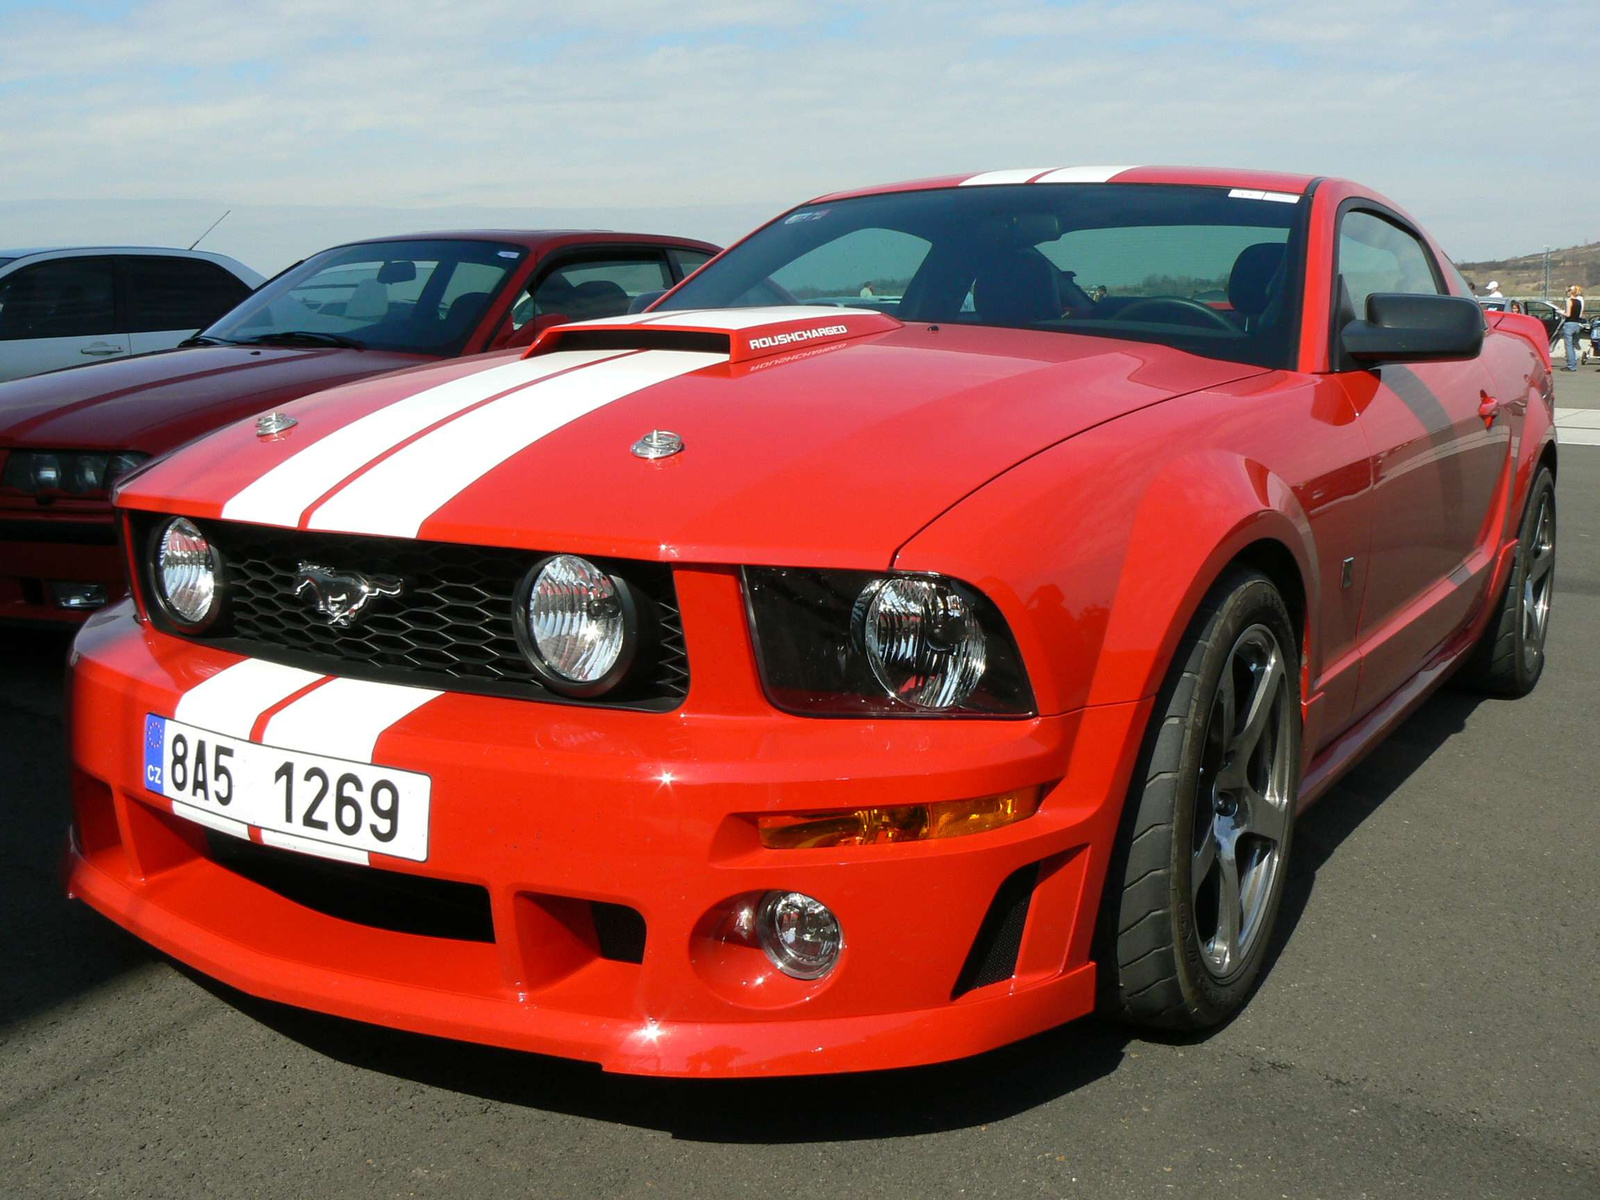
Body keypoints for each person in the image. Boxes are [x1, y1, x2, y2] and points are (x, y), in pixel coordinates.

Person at [1561, 285, 1586, 371]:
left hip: (1569, 324)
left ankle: (1571, 365)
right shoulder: (1579, 301)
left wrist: (1560, 312)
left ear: (1570, 292)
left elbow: (1568, 314)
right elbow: (1580, 314)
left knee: (1568, 346)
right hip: (1577, 324)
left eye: (1567, 291)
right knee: (1572, 344)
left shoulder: (1569, 301)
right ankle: (1573, 364)